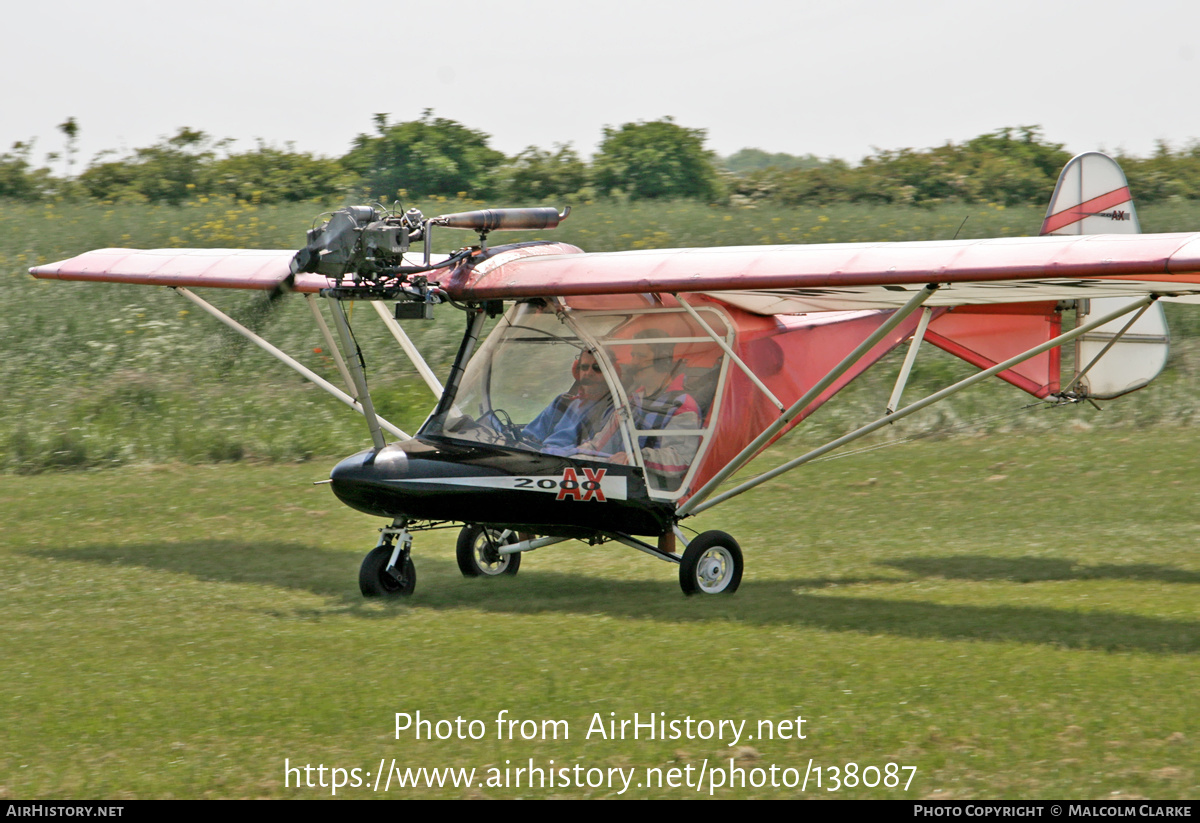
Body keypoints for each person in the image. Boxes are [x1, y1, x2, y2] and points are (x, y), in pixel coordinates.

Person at [578, 330, 702, 490]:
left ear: (662, 362)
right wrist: (567, 457)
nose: (633, 362)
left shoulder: (682, 406)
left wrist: (637, 457)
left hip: (649, 491)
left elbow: (679, 459)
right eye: (633, 355)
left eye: (640, 356)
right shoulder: (632, 401)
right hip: (616, 482)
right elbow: (598, 445)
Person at [521, 349, 614, 455]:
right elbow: (529, 436)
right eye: (584, 367)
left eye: (597, 368)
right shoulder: (564, 401)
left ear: (610, 372)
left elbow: (591, 451)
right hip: (539, 458)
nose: (588, 373)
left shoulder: (612, 410)